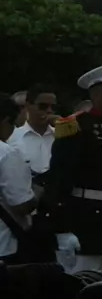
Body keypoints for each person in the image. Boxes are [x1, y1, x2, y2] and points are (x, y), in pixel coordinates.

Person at [47, 63, 102, 273]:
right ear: (96, 92)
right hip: (85, 222)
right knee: (81, 285)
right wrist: (62, 228)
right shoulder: (76, 126)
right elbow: (59, 178)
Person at [7, 84, 58, 263]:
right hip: (26, 215)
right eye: (43, 106)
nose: (49, 111)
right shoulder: (13, 139)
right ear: (28, 106)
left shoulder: (61, 137)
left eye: (53, 107)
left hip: (56, 215)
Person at [0, 96, 37, 265]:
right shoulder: (6, 153)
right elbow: (21, 205)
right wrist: (38, 193)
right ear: (5, 120)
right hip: (4, 246)